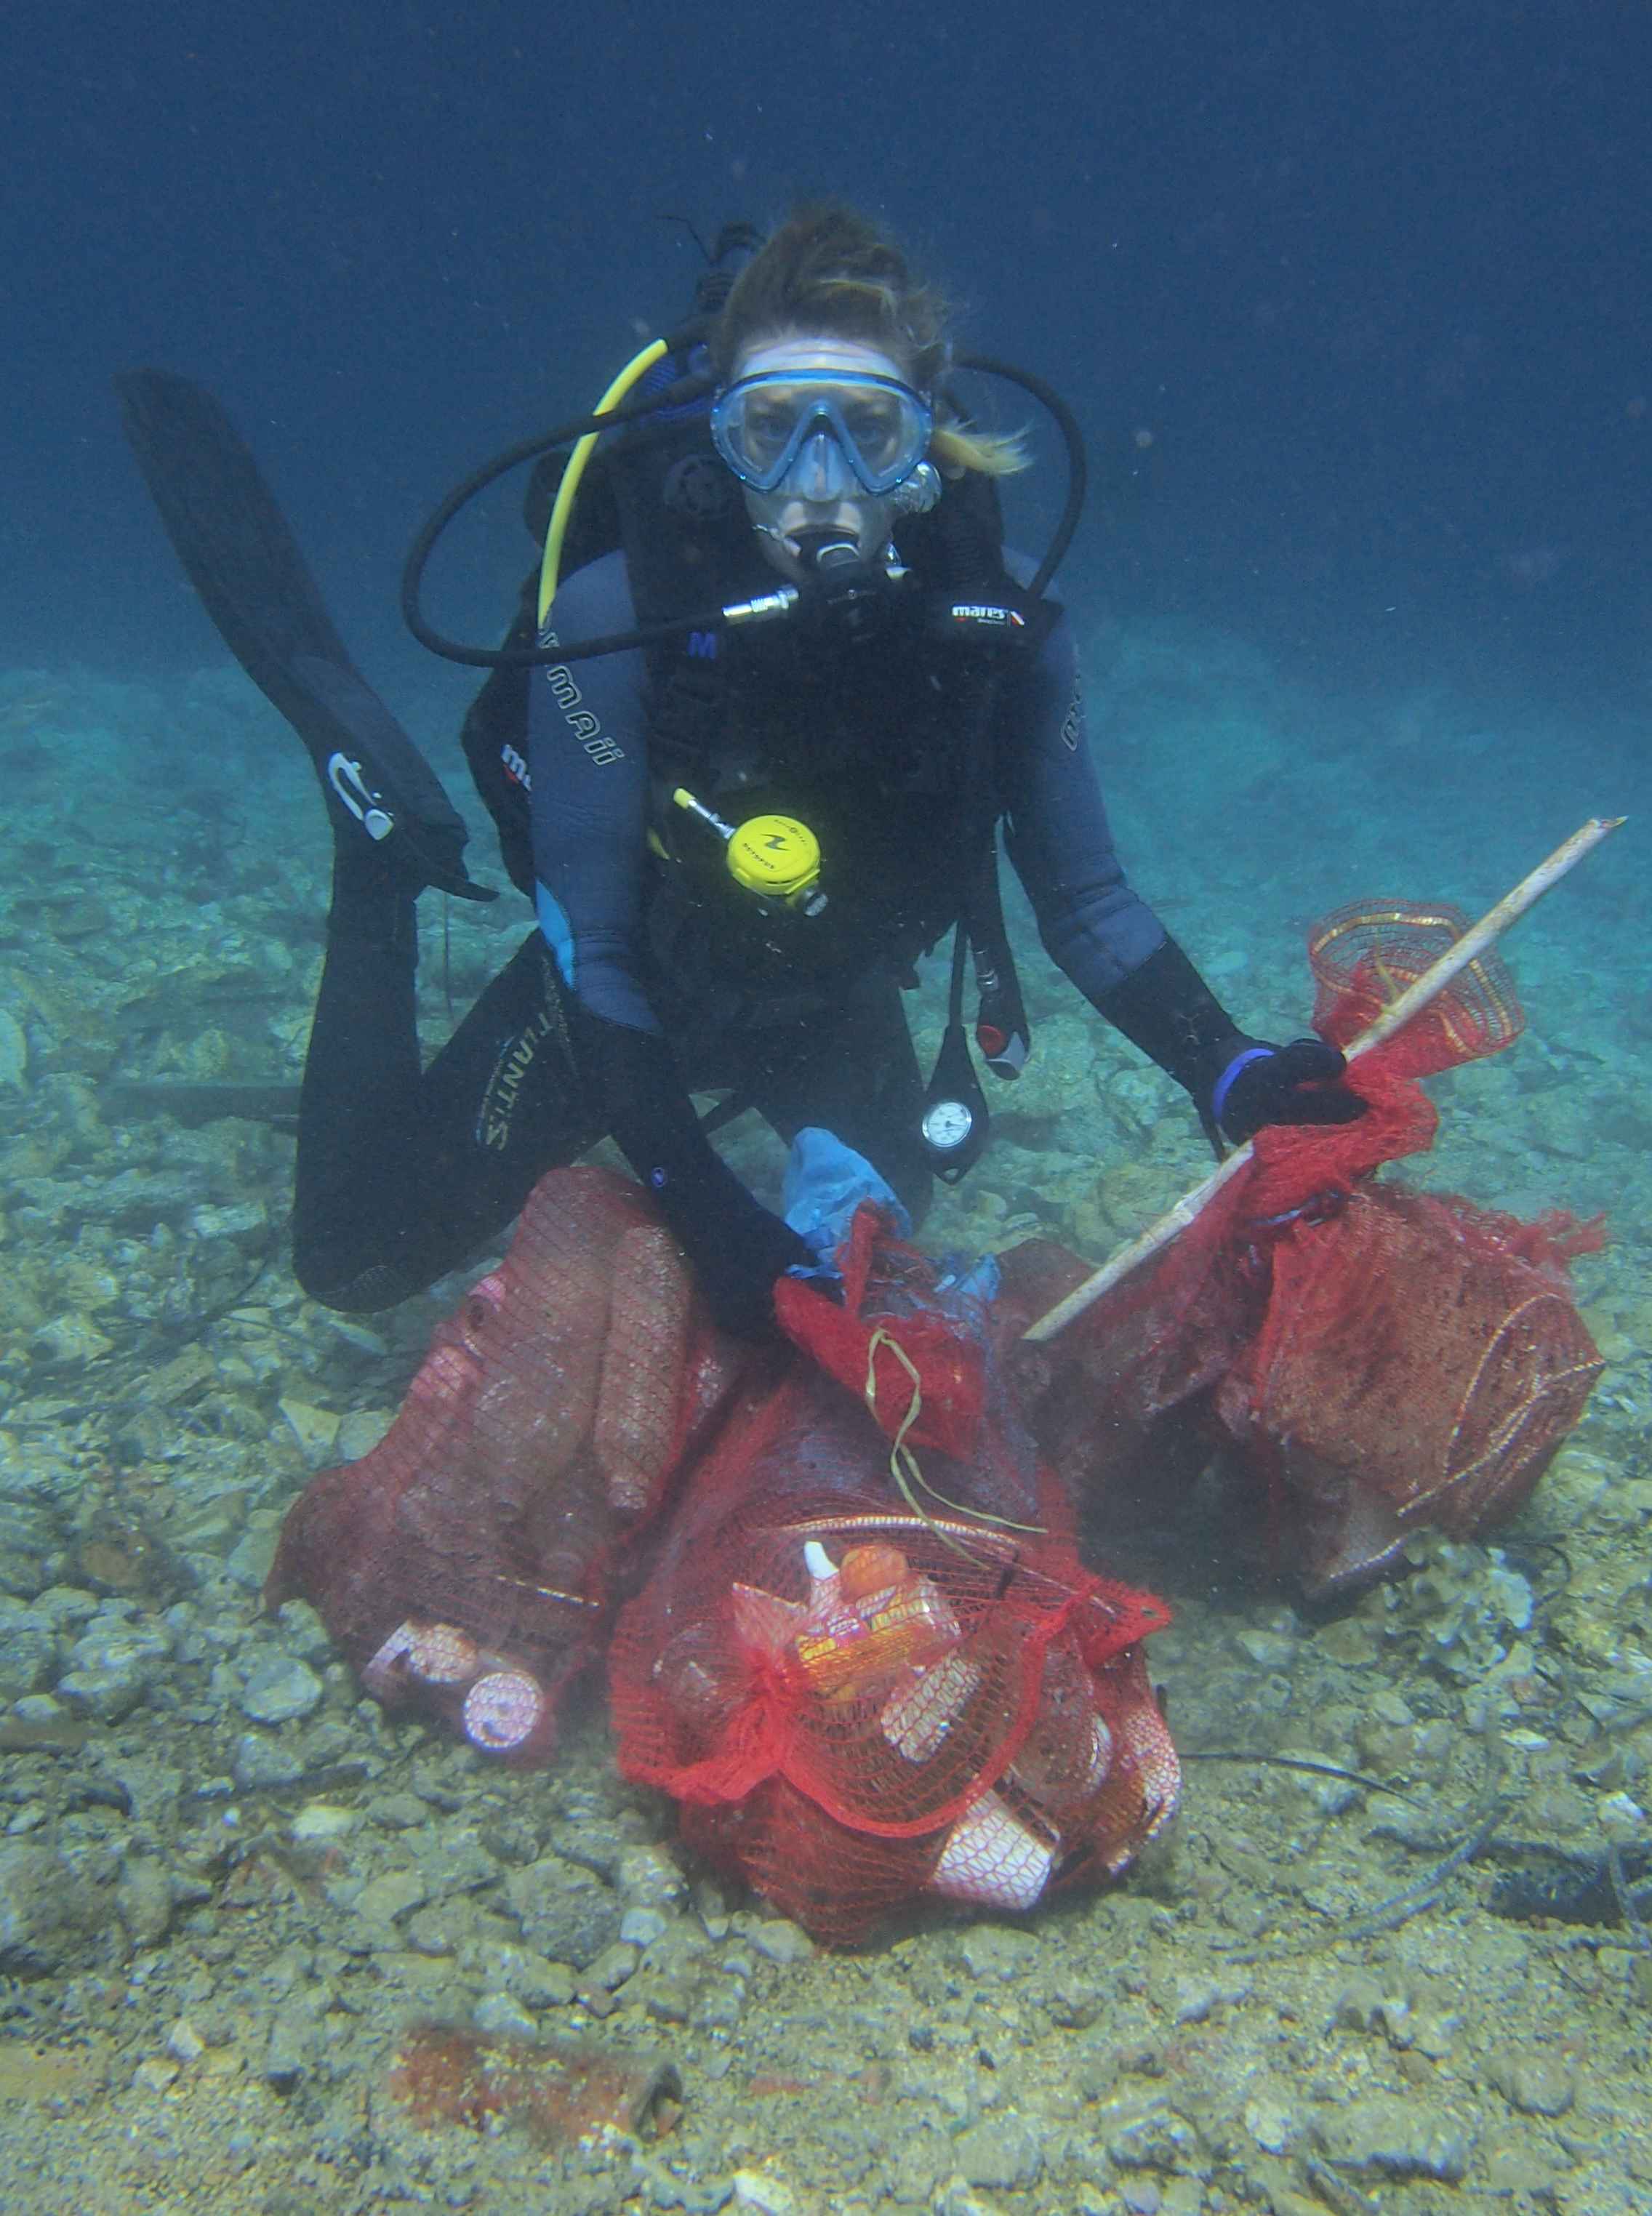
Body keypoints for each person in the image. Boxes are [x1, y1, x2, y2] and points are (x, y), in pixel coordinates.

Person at [120, 203, 1361, 1337]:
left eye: (863, 431)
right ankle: (379, 854)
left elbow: (1087, 902)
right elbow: (591, 948)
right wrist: (713, 1224)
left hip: (833, 991)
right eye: (774, 431)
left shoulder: (1006, 625)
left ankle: (756, 1139)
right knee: (357, 1261)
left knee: (880, 1243)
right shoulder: (619, 615)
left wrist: (1228, 1062)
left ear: (925, 447)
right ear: (724, 441)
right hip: (632, 979)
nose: (819, 481)